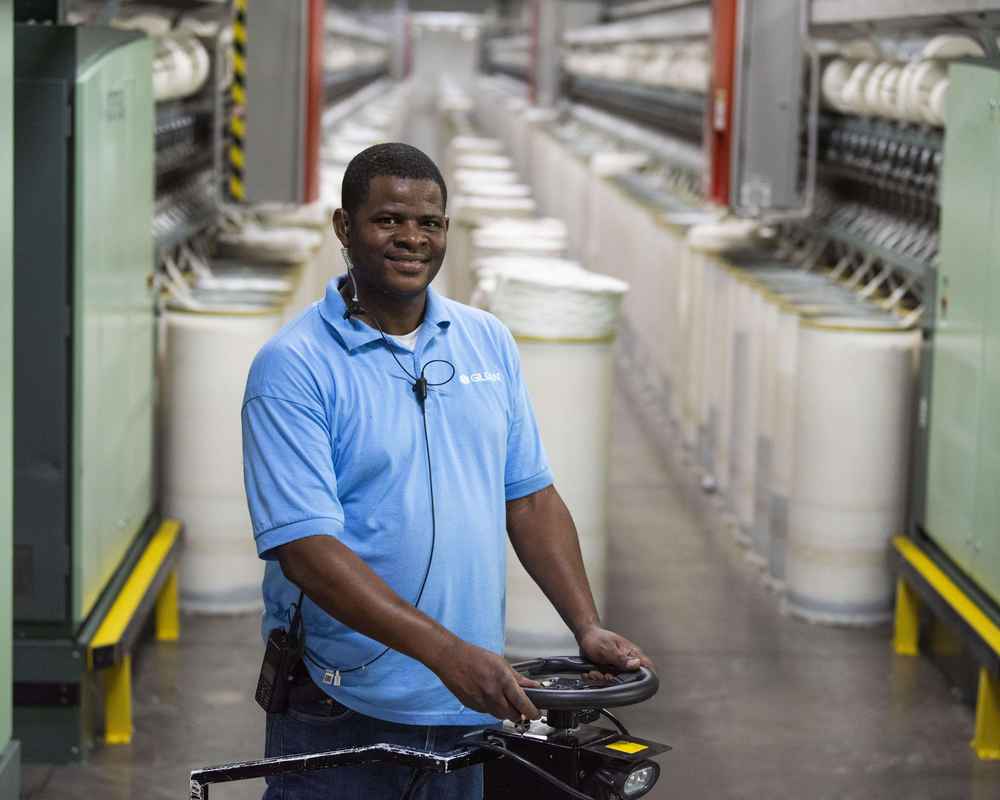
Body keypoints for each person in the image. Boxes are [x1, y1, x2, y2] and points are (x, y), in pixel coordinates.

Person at [242, 142, 652, 799]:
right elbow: (306, 552)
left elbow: (531, 499)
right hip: (342, 705)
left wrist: (586, 625)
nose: (410, 238)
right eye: (388, 220)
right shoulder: (294, 367)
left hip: (469, 701)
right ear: (344, 227)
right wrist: (446, 655)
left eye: (428, 223)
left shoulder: (485, 340)